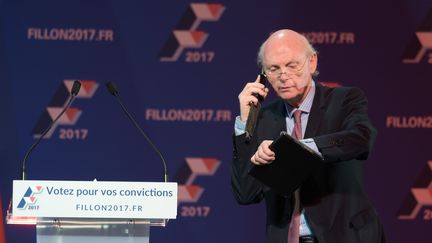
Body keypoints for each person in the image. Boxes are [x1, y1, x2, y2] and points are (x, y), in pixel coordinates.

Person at [231, 29, 386, 243]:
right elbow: (246, 194)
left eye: (292, 65)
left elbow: (360, 139)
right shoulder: (264, 118)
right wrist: (245, 123)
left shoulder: (344, 99)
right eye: (274, 69)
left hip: (345, 235)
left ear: (312, 62)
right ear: (263, 75)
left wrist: (295, 149)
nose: (283, 76)